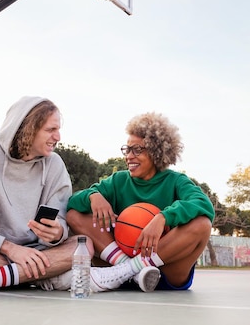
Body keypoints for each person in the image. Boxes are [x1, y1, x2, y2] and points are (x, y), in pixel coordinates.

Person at [0, 96, 155, 294]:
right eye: (51, 129)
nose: (58, 137)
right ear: (28, 128)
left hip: (37, 252)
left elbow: (59, 223)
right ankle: (44, 278)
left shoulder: (54, 166)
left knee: (83, 246)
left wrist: (57, 233)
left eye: (58, 130)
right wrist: (9, 248)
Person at [66, 112, 215, 291]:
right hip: (121, 259)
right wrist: (93, 196)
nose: (129, 156)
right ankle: (130, 270)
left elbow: (203, 204)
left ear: (157, 152)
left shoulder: (176, 180)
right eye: (127, 149)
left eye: (137, 150)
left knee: (202, 224)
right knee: (74, 215)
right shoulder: (118, 180)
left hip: (166, 268)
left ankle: (128, 270)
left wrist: (163, 218)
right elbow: (72, 203)